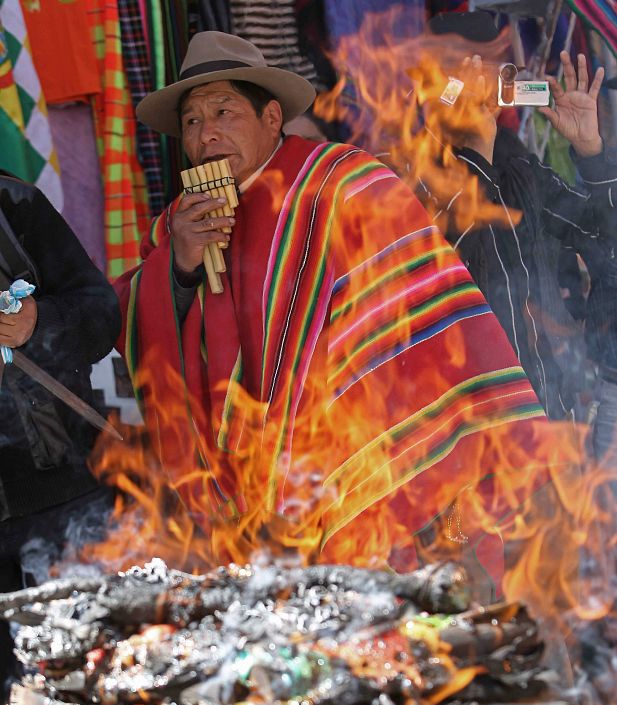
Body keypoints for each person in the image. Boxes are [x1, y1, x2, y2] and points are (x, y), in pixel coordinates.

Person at [114, 31, 571, 602]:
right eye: (191, 122)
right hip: (249, 479)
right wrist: (178, 266)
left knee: (406, 622)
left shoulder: (342, 180)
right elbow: (137, 323)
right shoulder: (181, 222)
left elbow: (412, 299)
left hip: (366, 446)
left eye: (224, 111)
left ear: (272, 116)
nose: (206, 134)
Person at [420, 12, 617, 421]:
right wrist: (476, 154)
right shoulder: (406, 174)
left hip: (548, 412)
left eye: (497, 73)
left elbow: (603, 234)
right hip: (467, 429)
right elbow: (445, 269)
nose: (488, 88)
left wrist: (592, 153)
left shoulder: (518, 167)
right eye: (470, 72)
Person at [0, 171, 121, 703]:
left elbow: (101, 314)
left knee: (97, 690)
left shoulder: (12, 201)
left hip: (59, 497)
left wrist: (37, 325)